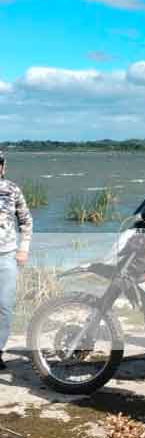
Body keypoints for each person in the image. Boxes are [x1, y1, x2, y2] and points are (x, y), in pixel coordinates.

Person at [0, 150, 33, 370]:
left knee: (4, 306)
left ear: (3, 166)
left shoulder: (12, 189)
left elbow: (26, 221)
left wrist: (23, 249)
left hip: (6, 257)